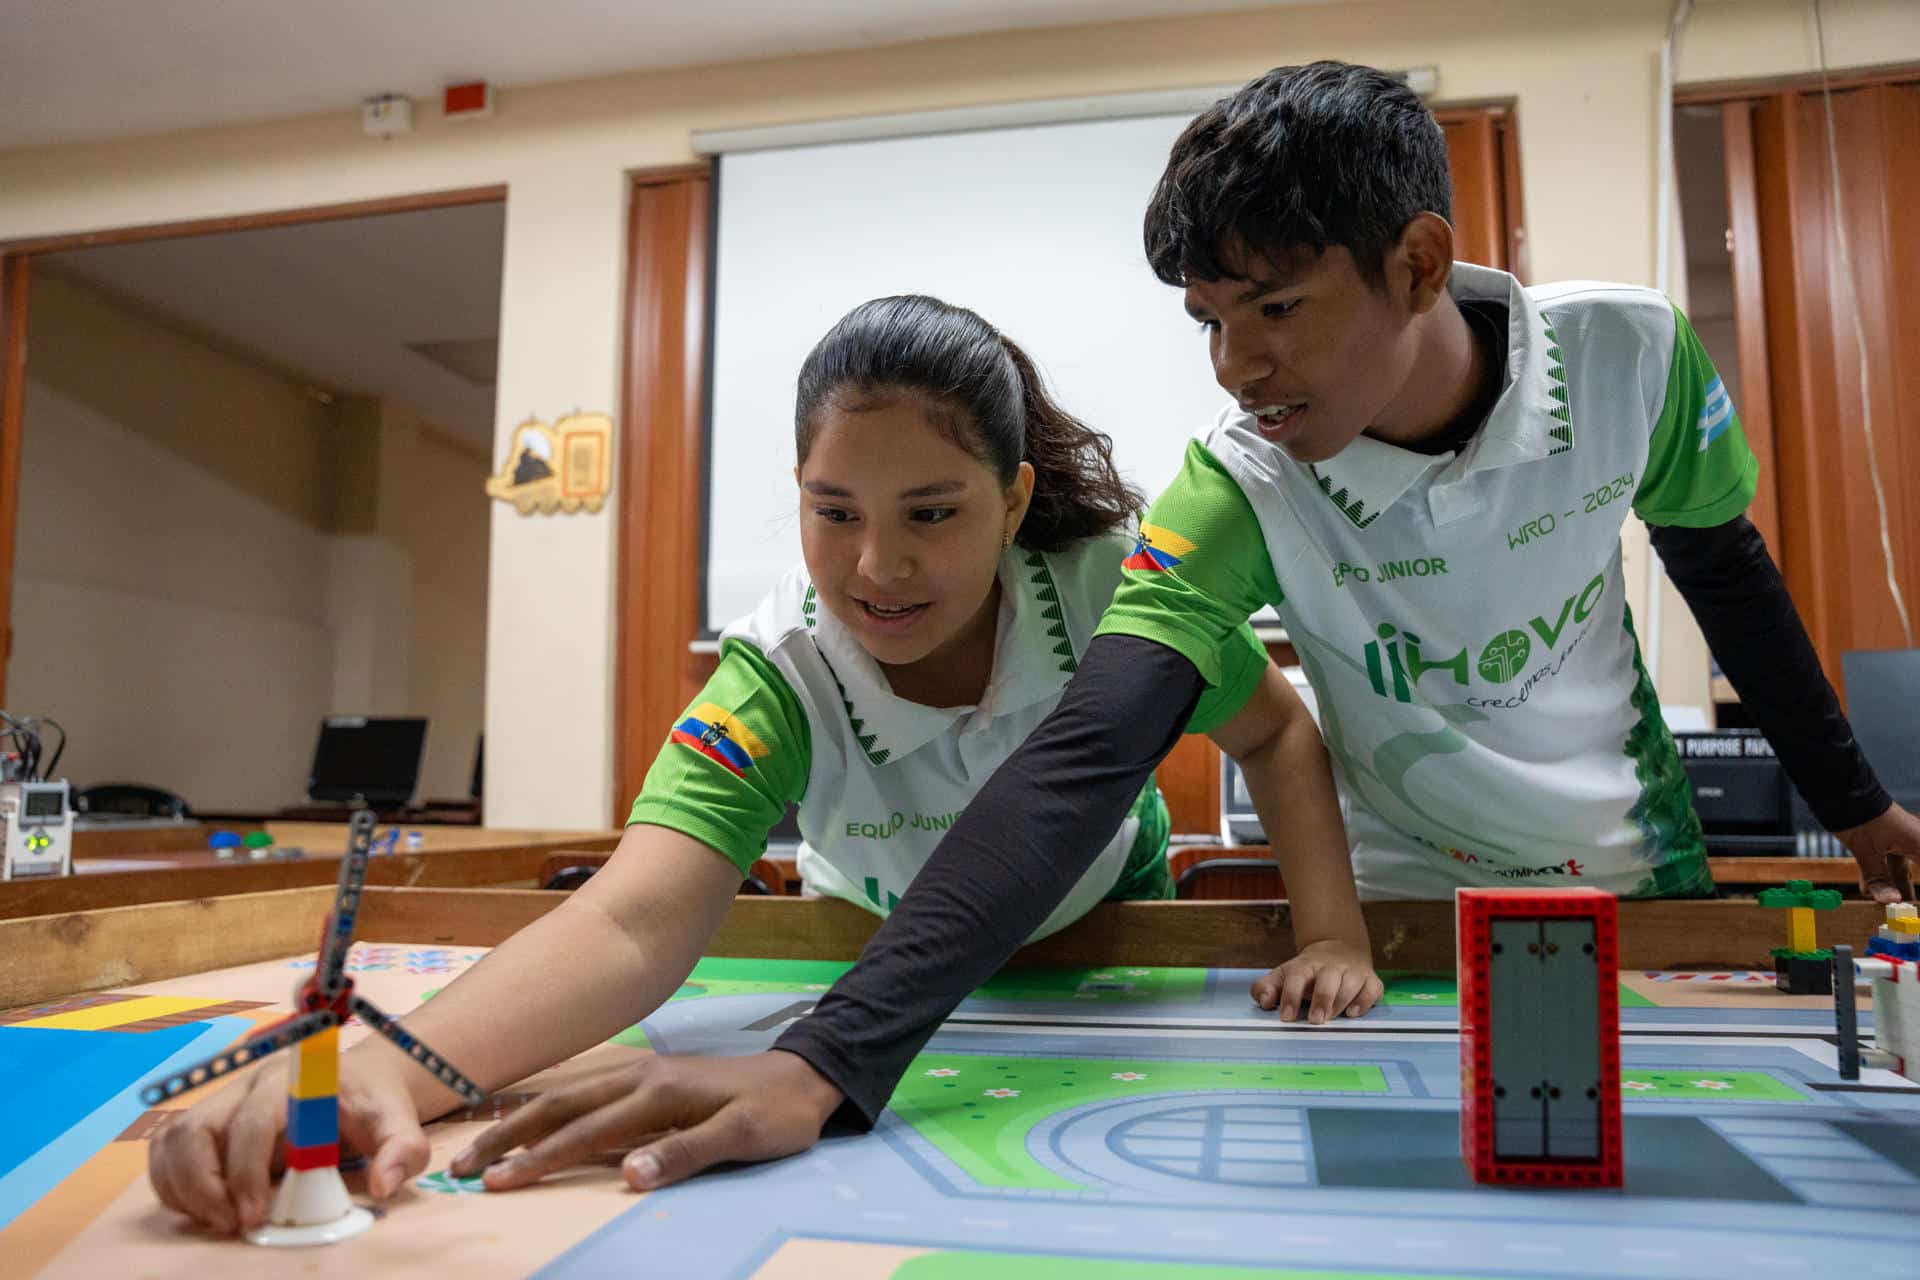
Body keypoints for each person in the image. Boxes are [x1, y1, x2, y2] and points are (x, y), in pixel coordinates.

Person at [448, 59, 1920, 1194]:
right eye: (1208, 320)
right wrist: (835, 1057)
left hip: (1630, 871)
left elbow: (1726, 572)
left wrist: (1856, 809)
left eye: (1272, 307)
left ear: (1415, 263)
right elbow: (1092, 748)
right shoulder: (1238, 483)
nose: (1237, 367)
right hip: (1401, 896)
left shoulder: (1631, 356)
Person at [147, 294, 1373, 1234]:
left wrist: (1332, 931)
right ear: (797, 494)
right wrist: (387, 1069)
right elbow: (633, 919)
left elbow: (1273, 726)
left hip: (1108, 933)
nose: (877, 567)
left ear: (1015, 499)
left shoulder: (1120, 584)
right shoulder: (779, 668)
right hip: (877, 956)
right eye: (834, 511)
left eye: (933, 512)